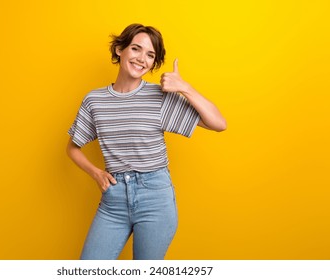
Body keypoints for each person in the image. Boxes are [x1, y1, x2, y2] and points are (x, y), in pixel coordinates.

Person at [66, 23, 226, 260]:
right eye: (136, 49)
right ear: (120, 49)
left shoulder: (159, 97)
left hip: (155, 198)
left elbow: (218, 123)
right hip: (113, 200)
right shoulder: (95, 100)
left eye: (150, 55)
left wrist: (184, 88)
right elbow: (72, 148)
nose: (142, 59)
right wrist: (95, 173)